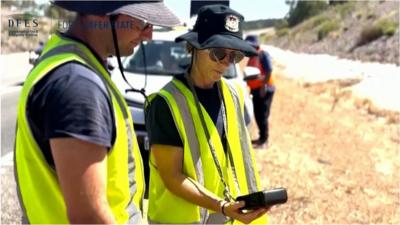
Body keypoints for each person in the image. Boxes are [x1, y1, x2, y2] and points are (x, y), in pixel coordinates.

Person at [14, 1, 179, 224]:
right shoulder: (77, 84)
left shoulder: (68, 60)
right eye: (142, 22)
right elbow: (89, 217)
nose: (148, 35)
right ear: (102, 12)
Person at [145, 5, 270, 224]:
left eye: (234, 56)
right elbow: (172, 177)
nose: (225, 62)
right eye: (218, 53)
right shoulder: (166, 103)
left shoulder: (234, 94)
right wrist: (221, 206)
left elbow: (240, 161)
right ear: (194, 47)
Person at [245, 34, 275, 147]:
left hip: (264, 89)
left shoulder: (263, 54)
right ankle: (261, 137)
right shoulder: (253, 56)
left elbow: (269, 71)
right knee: (258, 114)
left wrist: (263, 86)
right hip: (256, 89)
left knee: (262, 115)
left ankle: (264, 140)